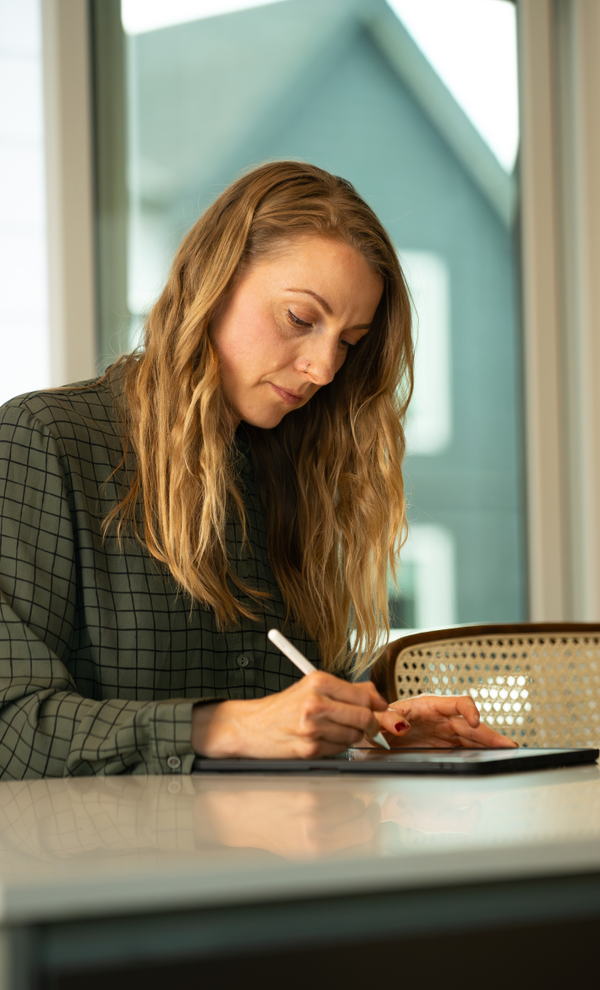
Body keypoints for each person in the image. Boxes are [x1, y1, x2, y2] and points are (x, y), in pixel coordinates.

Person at [0, 161, 512, 779]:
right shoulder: (46, 440)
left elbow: (283, 723)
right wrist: (222, 726)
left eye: (348, 341)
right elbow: (12, 726)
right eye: (300, 319)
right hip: (113, 869)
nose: (324, 369)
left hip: (280, 862)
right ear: (212, 283)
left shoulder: (295, 472)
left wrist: (374, 732)